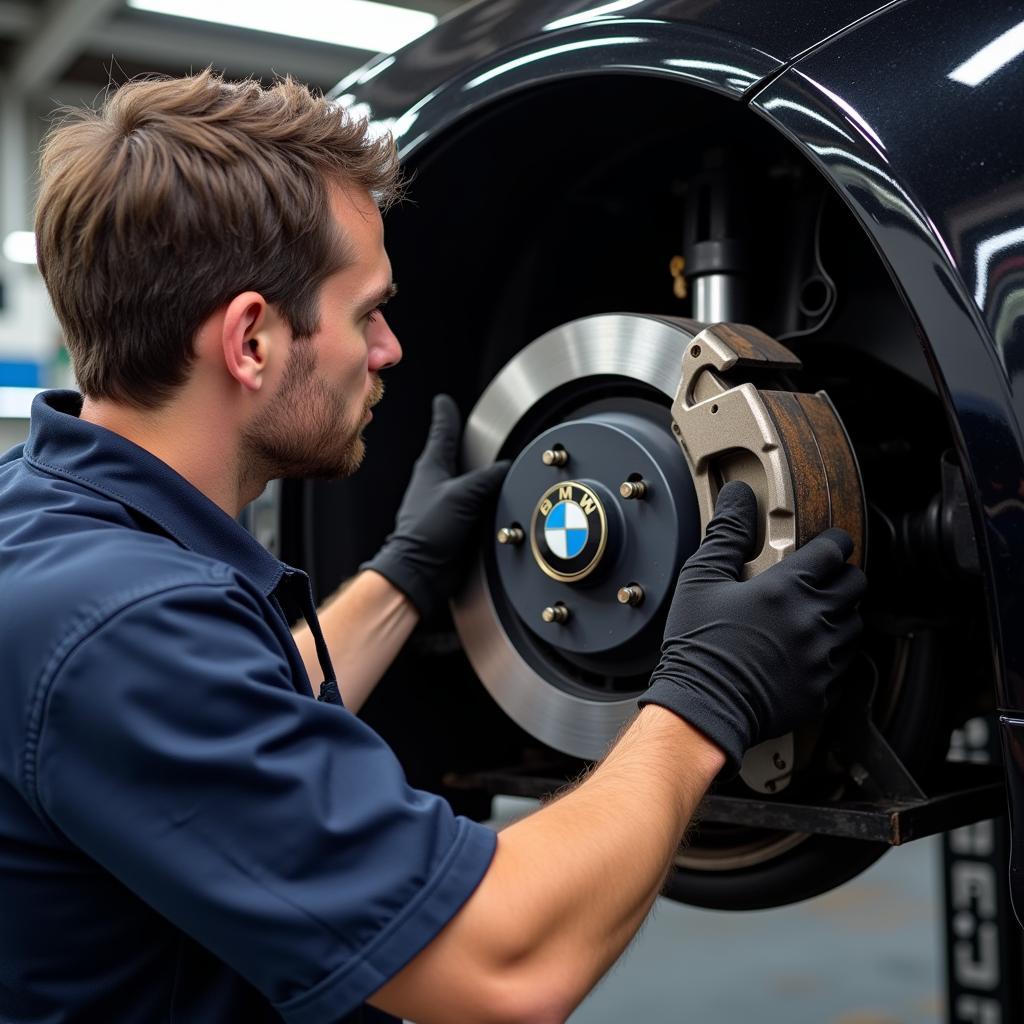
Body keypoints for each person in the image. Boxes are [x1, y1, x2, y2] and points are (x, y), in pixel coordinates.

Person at [0, 71, 866, 1024]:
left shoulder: (52, 532)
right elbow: (502, 963)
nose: (391, 350)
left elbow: (210, 714)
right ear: (250, 341)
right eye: (367, 312)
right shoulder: (121, 626)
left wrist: (404, 574)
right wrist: (708, 697)